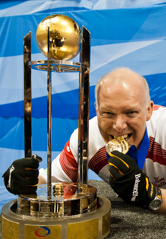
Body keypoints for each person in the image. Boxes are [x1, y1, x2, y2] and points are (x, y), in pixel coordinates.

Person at [2, 67, 166, 214]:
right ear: (96, 109)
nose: (119, 126)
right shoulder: (86, 138)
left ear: (149, 110)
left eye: (130, 112)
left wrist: (150, 195)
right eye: (108, 113)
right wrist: (24, 180)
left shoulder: (163, 128)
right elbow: (52, 183)